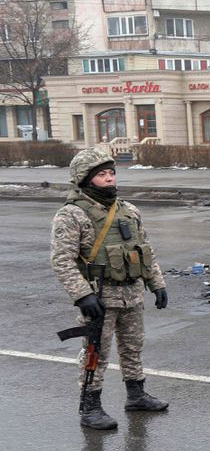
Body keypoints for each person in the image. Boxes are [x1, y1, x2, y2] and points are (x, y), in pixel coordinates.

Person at [51, 148, 169, 430]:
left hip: (131, 294)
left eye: (111, 173)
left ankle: (136, 395)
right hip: (99, 298)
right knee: (96, 354)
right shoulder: (72, 215)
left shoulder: (128, 211)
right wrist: (82, 295)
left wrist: (157, 284)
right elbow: (61, 260)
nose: (109, 179)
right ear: (85, 179)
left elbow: (145, 251)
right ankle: (90, 408)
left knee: (133, 348)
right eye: (101, 174)